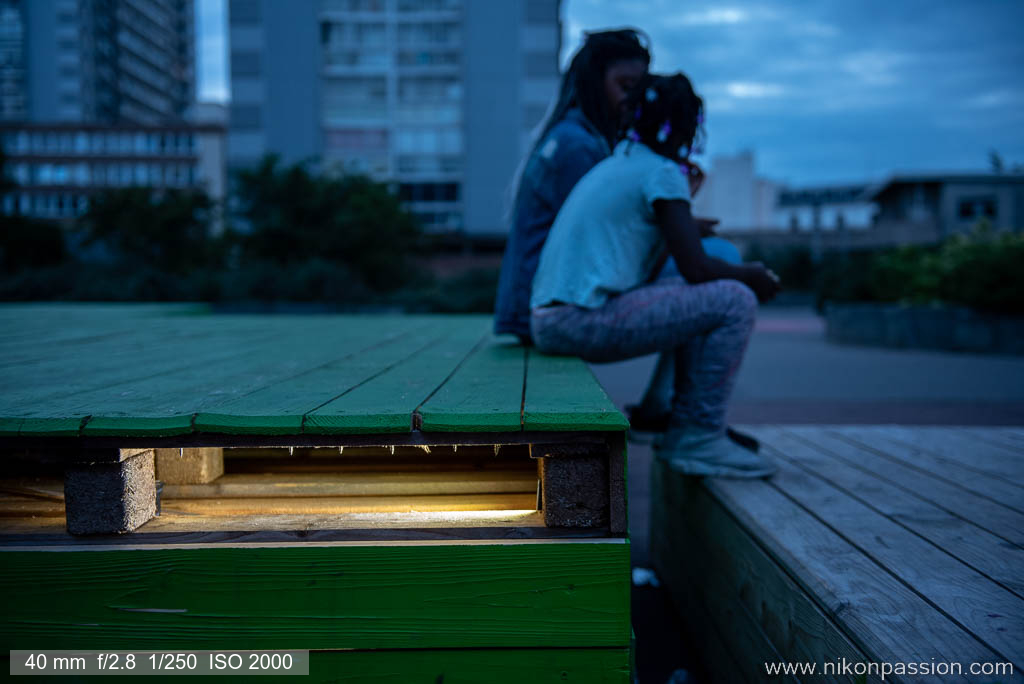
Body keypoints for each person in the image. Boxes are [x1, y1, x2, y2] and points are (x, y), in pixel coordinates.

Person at [529, 73, 782, 478]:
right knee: (733, 298)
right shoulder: (662, 172)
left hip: (555, 319)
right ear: (685, 127)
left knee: (697, 298)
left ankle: (662, 411)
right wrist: (751, 274)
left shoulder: (621, 161)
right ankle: (698, 435)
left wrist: (683, 222)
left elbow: (654, 258)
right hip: (579, 321)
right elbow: (697, 268)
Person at [494, 28, 650, 343]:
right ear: (595, 83)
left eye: (641, 89)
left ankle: (667, 395)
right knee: (707, 278)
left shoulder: (570, 136)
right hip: (543, 310)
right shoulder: (577, 147)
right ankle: (673, 395)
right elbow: (598, 241)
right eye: (626, 86)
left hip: (530, 306)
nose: (633, 100)